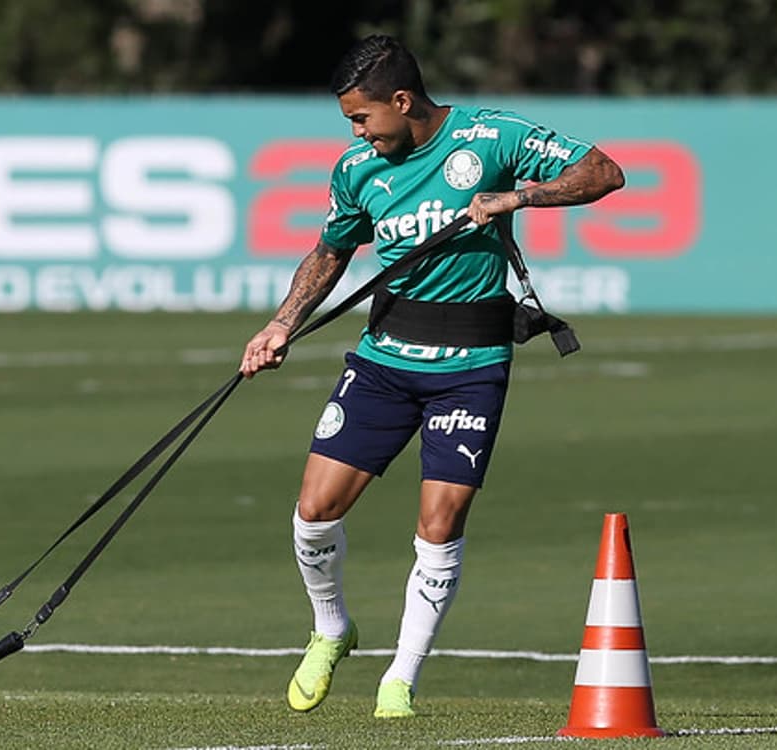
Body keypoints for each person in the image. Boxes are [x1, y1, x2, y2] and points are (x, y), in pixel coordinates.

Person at [238, 33, 625, 719]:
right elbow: (329, 253)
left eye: (362, 118)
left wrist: (521, 198)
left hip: (471, 364)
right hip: (385, 357)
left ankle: (401, 678)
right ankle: (332, 628)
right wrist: (281, 325)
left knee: (440, 521)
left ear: (402, 99)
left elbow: (603, 172)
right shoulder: (358, 169)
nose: (357, 133)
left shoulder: (491, 136)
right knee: (313, 511)